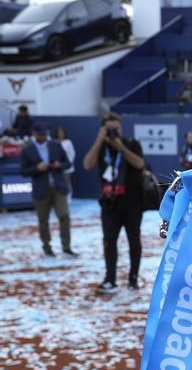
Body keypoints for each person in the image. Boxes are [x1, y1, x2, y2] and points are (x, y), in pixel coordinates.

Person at [82, 112, 145, 293]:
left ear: (121, 127)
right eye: (109, 129)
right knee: (109, 241)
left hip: (132, 202)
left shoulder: (132, 143)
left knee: (134, 241)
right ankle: (110, 279)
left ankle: (133, 278)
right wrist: (99, 140)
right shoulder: (101, 147)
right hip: (109, 203)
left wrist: (121, 148)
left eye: (115, 128)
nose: (113, 132)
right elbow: (87, 164)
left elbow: (140, 164)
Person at [20, 124, 73, 257]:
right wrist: (37, 168)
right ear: (34, 134)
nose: (43, 136)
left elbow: (68, 163)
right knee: (43, 219)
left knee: (64, 215)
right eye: (41, 134)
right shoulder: (27, 150)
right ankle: (47, 247)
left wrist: (59, 165)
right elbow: (23, 171)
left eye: (45, 134)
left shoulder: (55, 145)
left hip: (58, 186)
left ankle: (66, 246)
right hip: (41, 188)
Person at [55, 126, 76, 194]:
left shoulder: (68, 142)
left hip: (67, 166)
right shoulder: (54, 142)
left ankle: (69, 197)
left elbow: (72, 154)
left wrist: (68, 164)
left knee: (67, 182)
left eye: (61, 132)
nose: (60, 134)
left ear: (64, 133)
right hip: (56, 166)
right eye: (59, 133)